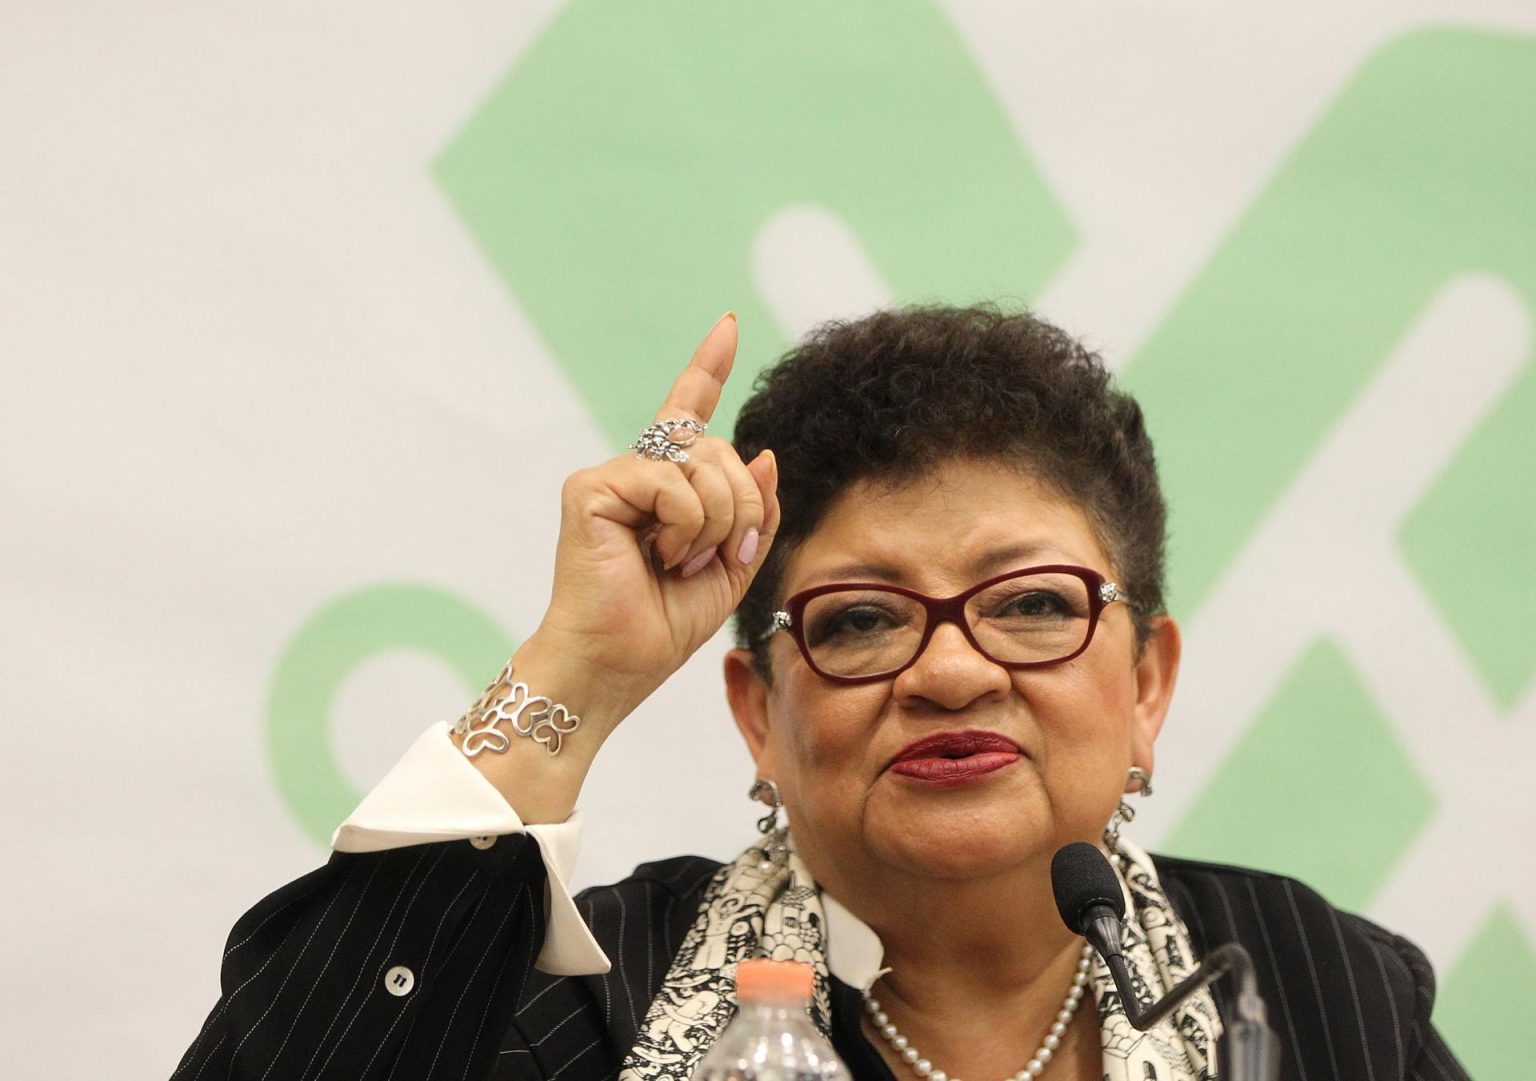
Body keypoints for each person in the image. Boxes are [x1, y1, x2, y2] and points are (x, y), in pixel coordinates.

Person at [174, 307, 1468, 1081]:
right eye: (861, 619)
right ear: (758, 712)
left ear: (1148, 682)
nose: (953, 669)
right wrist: (574, 665)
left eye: (1028, 603)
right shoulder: (599, 1000)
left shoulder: (1315, 991)